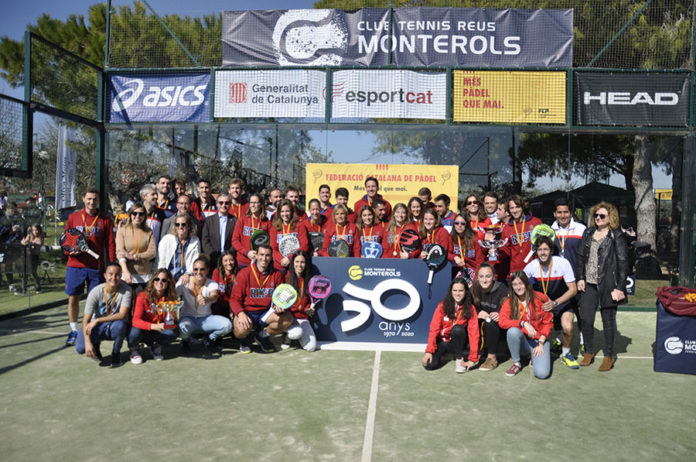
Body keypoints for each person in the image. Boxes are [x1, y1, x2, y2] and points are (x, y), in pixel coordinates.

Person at [575, 202, 629, 372]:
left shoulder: (616, 235)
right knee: (586, 319)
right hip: (588, 284)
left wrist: (620, 287)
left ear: (610, 217)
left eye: (602, 216)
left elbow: (623, 262)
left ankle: (609, 355)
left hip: (608, 284)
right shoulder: (588, 232)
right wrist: (580, 278)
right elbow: (580, 257)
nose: (598, 218)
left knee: (608, 321)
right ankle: (589, 352)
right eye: (596, 215)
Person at [63, 188, 116, 346]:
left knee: (94, 300)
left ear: (98, 201)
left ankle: (90, 329)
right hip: (75, 266)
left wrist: (112, 265)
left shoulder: (105, 220)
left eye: (95, 199)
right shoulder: (73, 217)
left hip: (96, 267)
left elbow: (110, 244)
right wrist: (72, 251)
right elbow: (66, 240)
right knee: (73, 298)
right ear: (83, 199)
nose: (92, 202)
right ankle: (73, 330)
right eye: (89, 199)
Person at [523, 236, 579, 369]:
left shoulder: (563, 263)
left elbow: (573, 290)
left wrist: (555, 303)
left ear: (551, 250)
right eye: (540, 249)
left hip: (562, 302)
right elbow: (522, 289)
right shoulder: (531, 267)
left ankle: (566, 354)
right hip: (542, 305)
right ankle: (533, 350)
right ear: (536, 251)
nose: (543, 252)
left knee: (568, 327)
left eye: (546, 249)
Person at [229, 244, 289, 353]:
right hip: (248, 312)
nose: (264, 258)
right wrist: (240, 313)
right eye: (261, 254)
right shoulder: (244, 273)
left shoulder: (277, 275)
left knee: (288, 319)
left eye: (267, 255)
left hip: (266, 313)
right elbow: (234, 299)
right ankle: (244, 340)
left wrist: (280, 306)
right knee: (240, 329)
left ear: (271, 257)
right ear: (256, 255)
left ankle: (262, 336)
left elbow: (279, 298)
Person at [498, 271, 553, 379]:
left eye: (521, 283)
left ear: (527, 283)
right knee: (512, 331)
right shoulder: (510, 301)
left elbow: (548, 323)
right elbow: (502, 322)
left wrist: (541, 342)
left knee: (542, 374)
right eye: (515, 284)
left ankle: (534, 356)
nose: (518, 287)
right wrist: (523, 323)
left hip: (538, 341)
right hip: (523, 342)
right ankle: (516, 363)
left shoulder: (540, 298)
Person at [75, 263, 131, 367]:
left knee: (121, 325)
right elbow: (86, 320)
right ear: (105, 275)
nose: (113, 278)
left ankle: (116, 353)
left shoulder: (126, 290)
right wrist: (87, 342)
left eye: (117, 275)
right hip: (97, 327)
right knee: (80, 348)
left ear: (121, 275)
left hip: (113, 325)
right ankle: (94, 344)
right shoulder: (96, 292)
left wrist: (97, 320)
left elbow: (122, 314)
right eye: (110, 274)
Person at [551, 197, 587, 352]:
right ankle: (560, 337)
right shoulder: (550, 231)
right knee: (559, 310)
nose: (563, 215)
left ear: (571, 213)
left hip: (577, 279)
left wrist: (583, 277)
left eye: (566, 212)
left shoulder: (581, 229)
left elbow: (587, 255)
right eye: (559, 212)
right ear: (555, 214)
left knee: (580, 311)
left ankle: (583, 339)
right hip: (558, 280)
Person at [422, 277, 479, 373]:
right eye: (455, 290)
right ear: (451, 291)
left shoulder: (470, 308)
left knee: (457, 329)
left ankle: (459, 358)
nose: (457, 293)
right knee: (429, 365)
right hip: (442, 342)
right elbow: (434, 328)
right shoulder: (442, 305)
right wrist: (429, 351)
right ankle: (445, 355)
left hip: (457, 343)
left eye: (461, 290)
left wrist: (473, 358)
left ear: (466, 292)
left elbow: (474, 333)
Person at [177, 257, 232, 353]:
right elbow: (172, 294)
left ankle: (210, 338)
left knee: (227, 325)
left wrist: (207, 299)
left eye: (202, 269)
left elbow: (214, 296)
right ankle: (185, 341)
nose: (198, 272)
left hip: (206, 319)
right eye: (195, 269)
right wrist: (180, 281)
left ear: (207, 270)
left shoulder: (212, 283)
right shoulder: (184, 282)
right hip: (188, 319)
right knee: (182, 328)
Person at [128, 268, 180, 364]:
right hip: (143, 330)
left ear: (168, 283)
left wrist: (170, 322)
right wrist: (154, 326)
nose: (160, 282)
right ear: (153, 281)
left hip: (156, 331)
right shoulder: (143, 296)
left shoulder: (170, 298)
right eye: (157, 279)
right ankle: (133, 349)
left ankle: (154, 346)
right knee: (135, 332)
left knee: (174, 332)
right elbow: (135, 321)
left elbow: (170, 320)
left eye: (164, 280)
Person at [471, 263, 508, 371]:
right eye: (481, 276)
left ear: (493, 277)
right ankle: (474, 352)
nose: (484, 280)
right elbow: (466, 307)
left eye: (488, 276)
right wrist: (477, 313)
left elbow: (512, 309)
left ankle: (492, 358)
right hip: (481, 328)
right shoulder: (474, 288)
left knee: (489, 321)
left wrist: (501, 314)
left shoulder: (502, 290)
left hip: (499, 329)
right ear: (477, 277)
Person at [497, 195, 542, 277]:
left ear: (522, 207)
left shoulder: (535, 222)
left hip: (535, 268)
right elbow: (506, 250)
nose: (515, 211)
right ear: (509, 210)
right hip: (516, 270)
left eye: (517, 207)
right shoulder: (507, 228)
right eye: (512, 208)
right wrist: (496, 252)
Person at [116, 202, 156, 292]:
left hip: (145, 276)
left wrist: (133, 257)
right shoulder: (122, 231)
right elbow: (120, 253)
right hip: (126, 276)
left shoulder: (149, 232)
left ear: (144, 216)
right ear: (130, 215)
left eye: (141, 214)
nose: (138, 216)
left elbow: (152, 253)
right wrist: (126, 272)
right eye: (135, 213)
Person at [284, 251, 317, 351]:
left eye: (302, 262)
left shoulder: (309, 280)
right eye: (297, 261)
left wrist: (309, 309)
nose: (299, 265)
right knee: (296, 333)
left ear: (306, 264)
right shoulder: (286, 278)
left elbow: (308, 302)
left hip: (303, 318)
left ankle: (297, 336)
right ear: (292, 263)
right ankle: (287, 336)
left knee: (311, 347)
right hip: (289, 317)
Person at [157, 213, 200, 285]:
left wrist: (187, 274)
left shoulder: (195, 241)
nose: (180, 227)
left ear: (188, 226)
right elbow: (161, 262)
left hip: (186, 277)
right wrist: (164, 276)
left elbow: (195, 261)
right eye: (177, 224)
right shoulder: (166, 239)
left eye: (183, 224)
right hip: (168, 277)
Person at [231, 193, 271, 267]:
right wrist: (246, 252)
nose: (253, 205)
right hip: (242, 261)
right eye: (251, 202)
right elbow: (234, 240)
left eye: (255, 203)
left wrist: (260, 255)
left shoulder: (267, 222)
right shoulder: (242, 220)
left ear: (261, 204)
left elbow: (269, 244)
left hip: (259, 262)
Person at [270, 199, 308, 272]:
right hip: (279, 266)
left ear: (291, 212)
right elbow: (273, 248)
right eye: (282, 211)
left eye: (287, 211)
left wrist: (290, 258)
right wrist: (281, 259)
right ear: (279, 213)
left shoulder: (299, 226)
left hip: (295, 266)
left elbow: (304, 246)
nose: (285, 214)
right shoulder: (274, 228)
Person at [201, 194, 237, 270]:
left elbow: (236, 240)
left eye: (226, 203)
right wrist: (213, 256)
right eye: (221, 203)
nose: (224, 205)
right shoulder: (209, 220)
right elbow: (205, 240)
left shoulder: (235, 221)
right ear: (217, 204)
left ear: (230, 205)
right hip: (212, 261)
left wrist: (228, 256)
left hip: (229, 262)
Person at [448, 213, 484, 282]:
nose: (459, 225)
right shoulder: (451, 237)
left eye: (462, 223)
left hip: (472, 272)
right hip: (456, 273)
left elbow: (480, 261)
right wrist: (454, 257)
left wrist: (475, 280)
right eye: (457, 223)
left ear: (467, 225)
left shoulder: (474, 238)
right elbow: (446, 253)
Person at [211, 250, 238, 318]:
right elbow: (214, 290)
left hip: (234, 304)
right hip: (221, 303)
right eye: (225, 261)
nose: (229, 263)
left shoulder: (239, 273)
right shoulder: (216, 272)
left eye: (231, 260)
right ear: (222, 262)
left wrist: (232, 309)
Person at [20, 224, 45, 293]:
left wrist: (29, 243)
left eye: (36, 230)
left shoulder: (40, 237)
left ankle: (38, 287)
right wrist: (24, 242)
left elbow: (39, 244)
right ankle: (23, 288)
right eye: (33, 230)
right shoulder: (29, 236)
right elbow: (23, 242)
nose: (35, 232)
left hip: (34, 257)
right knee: (25, 272)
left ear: (39, 230)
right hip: (27, 256)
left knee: (33, 272)